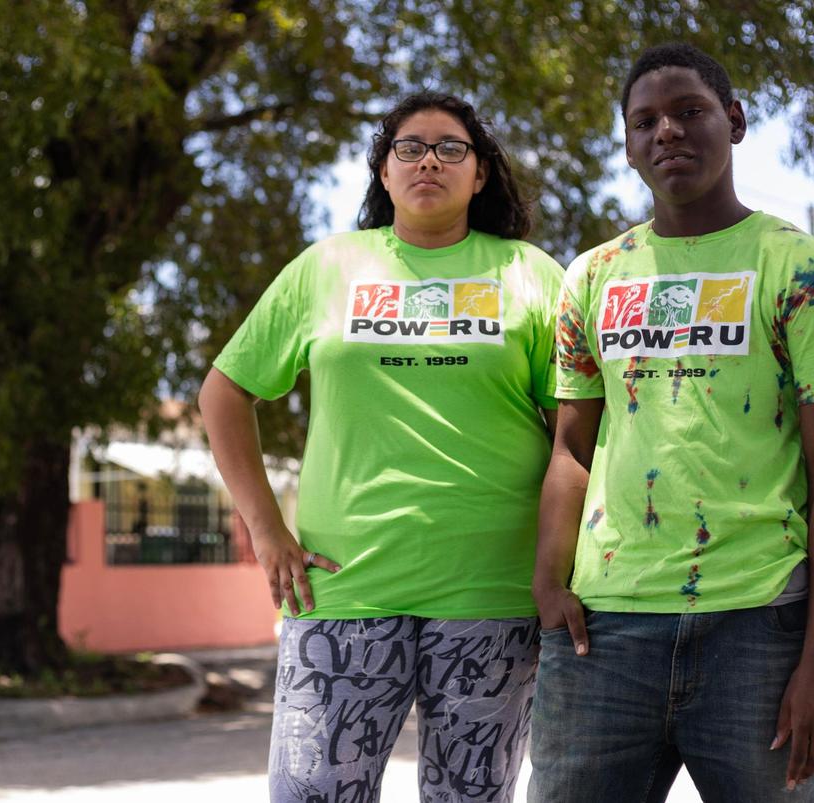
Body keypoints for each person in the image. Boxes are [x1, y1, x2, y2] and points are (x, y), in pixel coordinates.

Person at [528, 43, 814, 802]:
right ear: (627, 144)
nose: (668, 133)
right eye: (645, 121)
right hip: (603, 632)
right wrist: (548, 585)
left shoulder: (807, 272)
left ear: (736, 121)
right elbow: (572, 449)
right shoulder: (592, 275)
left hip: (759, 627)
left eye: (690, 112)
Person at [199, 91, 563, 802]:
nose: (430, 158)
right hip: (343, 585)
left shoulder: (530, 274)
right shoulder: (327, 267)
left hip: (491, 591)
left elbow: (575, 439)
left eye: (451, 147)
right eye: (410, 147)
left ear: (481, 173)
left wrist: (559, 568)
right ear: (384, 172)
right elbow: (224, 391)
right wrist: (266, 528)